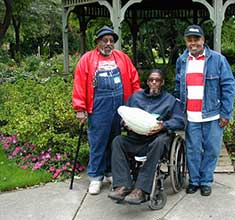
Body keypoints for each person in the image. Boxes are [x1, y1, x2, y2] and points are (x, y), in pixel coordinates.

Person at [72, 25, 141, 195]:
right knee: (98, 141)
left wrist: (135, 102)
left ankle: (110, 172)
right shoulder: (87, 60)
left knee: (115, 140)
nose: (108, 44)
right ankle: (95, 177)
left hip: (119, 106)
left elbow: (134, 80)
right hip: (98, 107)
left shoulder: (122, 58)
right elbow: (79, 84)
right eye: (105, 40)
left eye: (111, 41)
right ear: (98, 42)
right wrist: (80, 108)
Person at [173, 24, 235, 196]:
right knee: (192, 150)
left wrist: (226, 113)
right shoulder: (182, 60)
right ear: (186, 41)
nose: (193, 43)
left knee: (212, 150)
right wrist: (178, 112)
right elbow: (178, 87)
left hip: (213, 115)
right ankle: (194, 181)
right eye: (189, 40)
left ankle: (206, 181)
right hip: (191, 116)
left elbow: (229, 86)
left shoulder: (217, 59)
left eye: (196, 39)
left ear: (203, 40)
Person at [108, 69, 185, 204]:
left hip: (157, 139)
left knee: (160, 141)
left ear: (162, 83)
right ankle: (123, 185)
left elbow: (180, 121)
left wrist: (164, 125)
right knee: (118, 141)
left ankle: (141, 189)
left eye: (157, 80)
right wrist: (125, 124)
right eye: (151, 80)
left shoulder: (170, 101)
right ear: (147, 82)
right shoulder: (135, 98)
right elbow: (123, 116)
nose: (154, 83)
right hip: (136, 138)